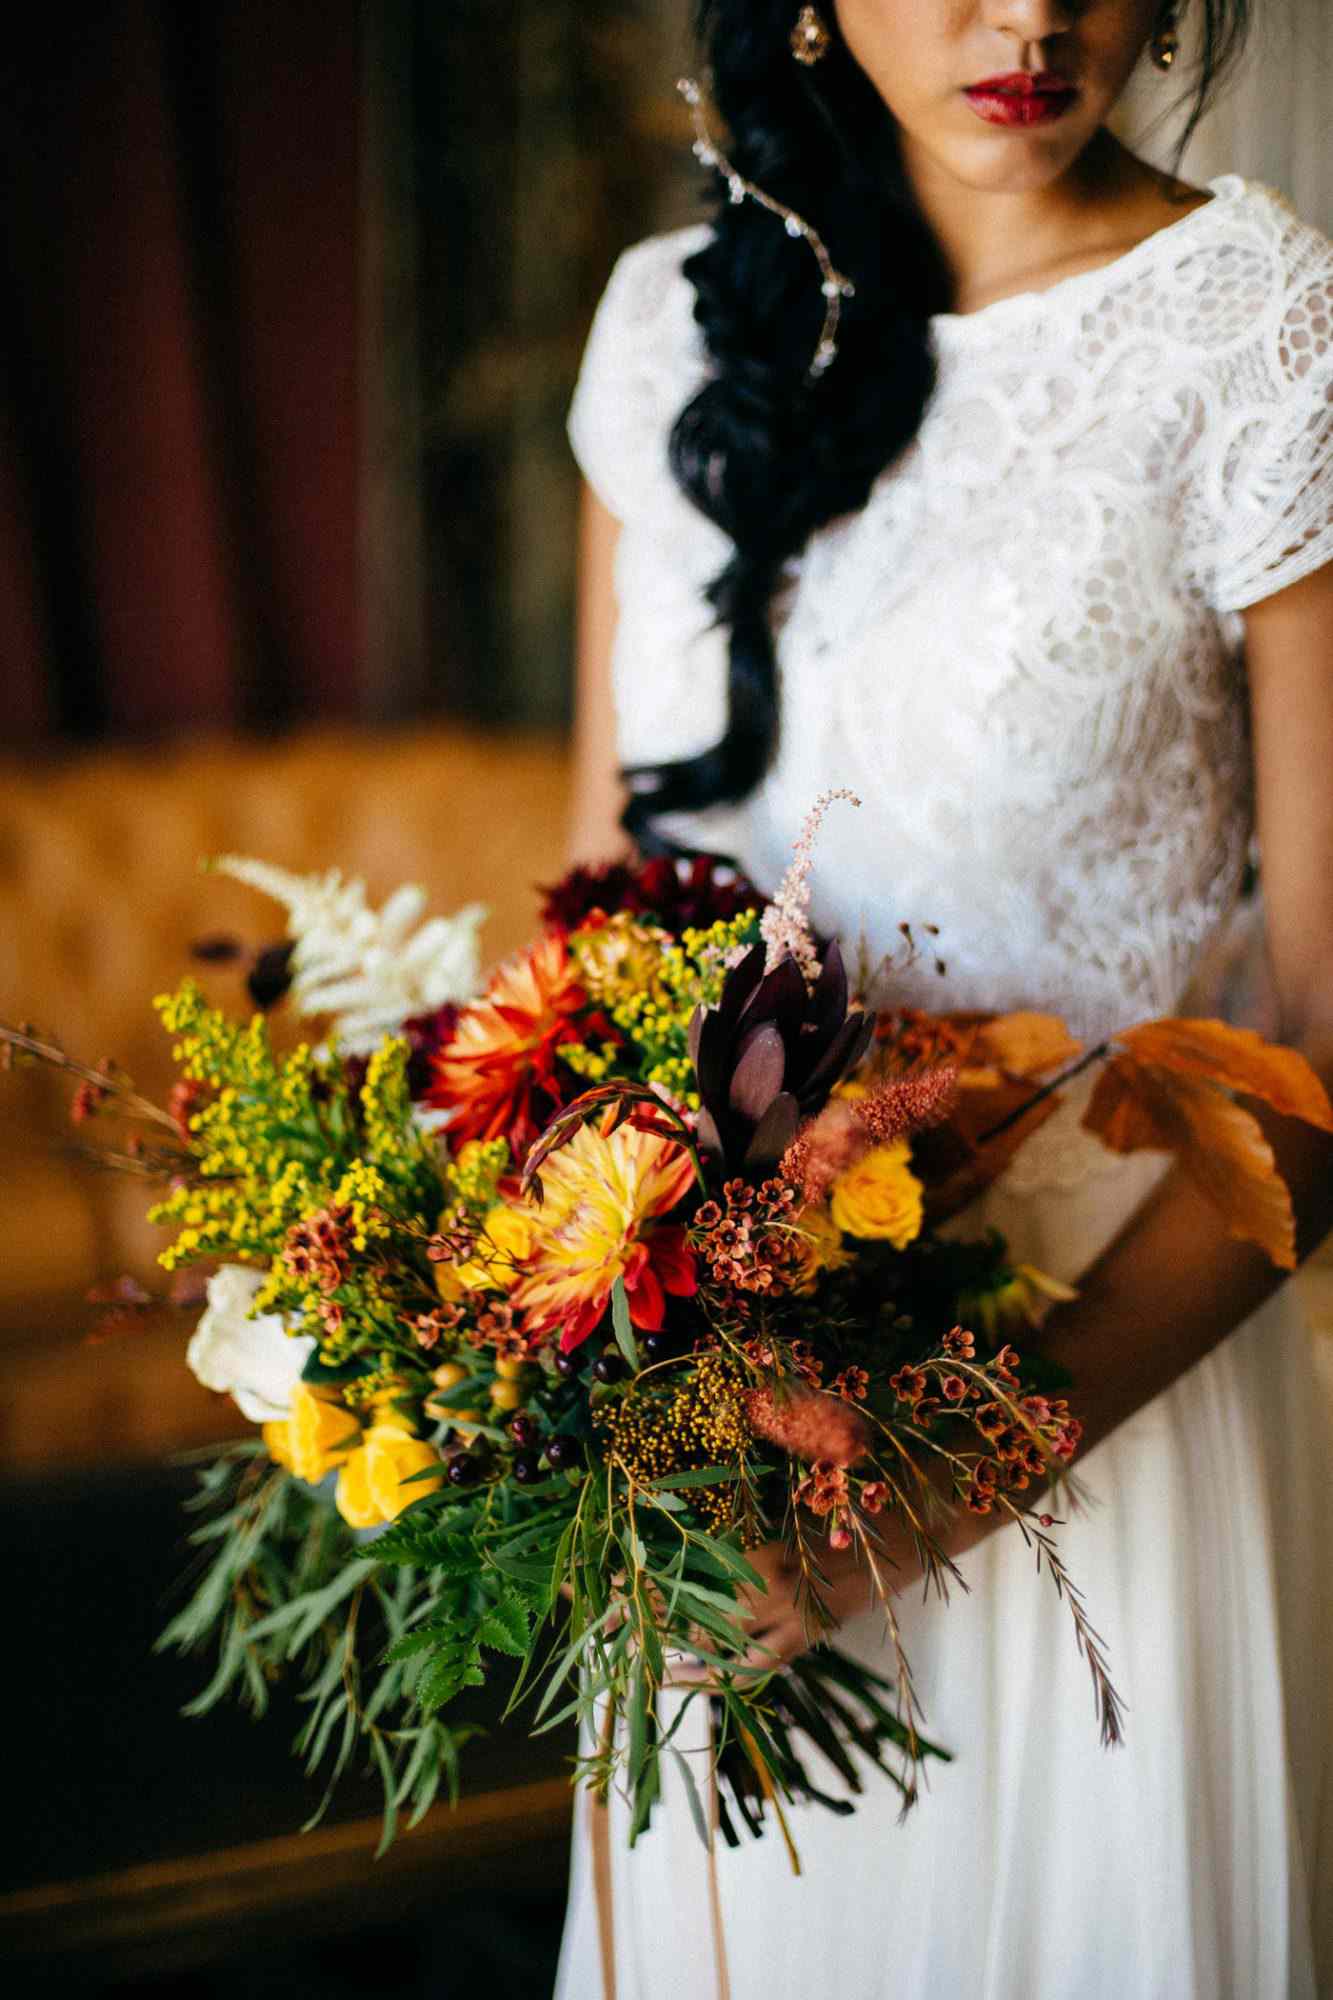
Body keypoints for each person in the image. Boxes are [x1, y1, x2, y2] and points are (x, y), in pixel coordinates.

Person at [555, 2, 1333, 1993]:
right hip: (720, 1462)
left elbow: (1328, 1051)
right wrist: (569, 1355)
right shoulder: (660, 333)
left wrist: (914, 1501)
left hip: (1099, 1406)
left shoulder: (1261, 331)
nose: (1032, 14)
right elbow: (586, 946)